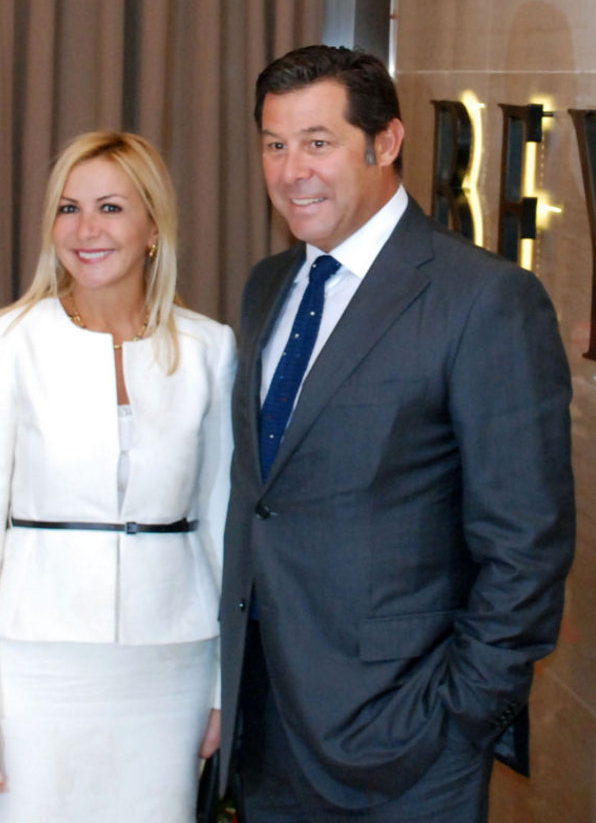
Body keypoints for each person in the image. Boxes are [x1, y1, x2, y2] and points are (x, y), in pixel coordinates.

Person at [219, 45, 575, 822]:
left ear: (385, 143)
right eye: (274, 145)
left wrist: (460, 718)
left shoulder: (483, 300)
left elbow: (526, 542)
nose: (291, 171)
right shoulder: (268, 285)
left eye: (317, 142)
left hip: (407, 742)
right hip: (266, 727)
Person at [0, 130, 235, 822]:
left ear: (153, 227)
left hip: (171, 668)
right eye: (68, 209)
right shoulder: (7, 342)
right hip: (32, 667)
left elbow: (222, 527)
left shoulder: (208, 349)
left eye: (110, 208)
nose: (86, 230)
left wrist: (225, 687)